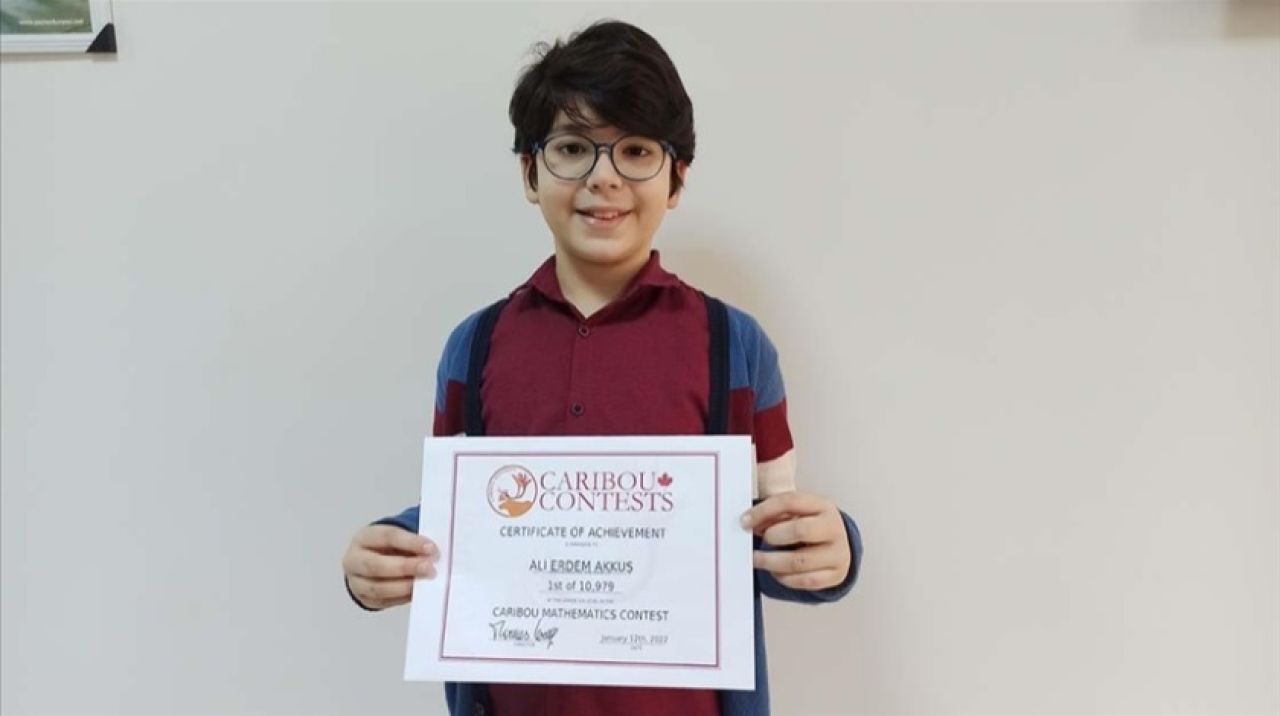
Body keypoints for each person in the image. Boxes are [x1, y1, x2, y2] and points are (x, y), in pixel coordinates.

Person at [340, 19, 863, 716]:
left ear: (677, 180)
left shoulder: (737, 347)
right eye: (572, 148)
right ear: (530, 173)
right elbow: (466, 522)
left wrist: (834, 550)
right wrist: (388, 553)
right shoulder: (473, 347)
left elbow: (771, 537)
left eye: (636, 150)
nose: (603, 177)